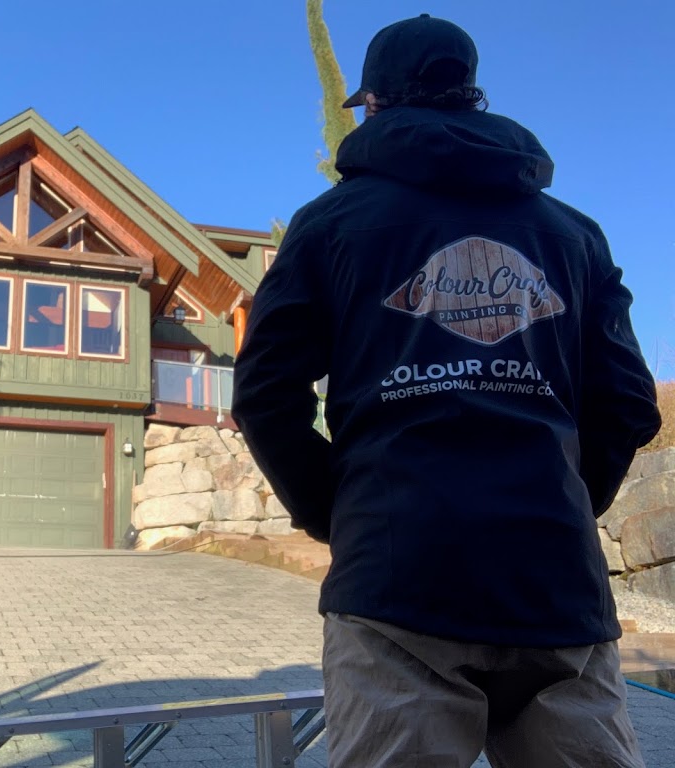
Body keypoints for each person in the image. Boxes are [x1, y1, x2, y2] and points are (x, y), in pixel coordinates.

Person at [231, 13, 661, 768]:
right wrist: (563, 500)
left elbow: (266, 392)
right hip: (556, 587)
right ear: (472, 94)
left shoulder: (329, 225)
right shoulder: (575, 235)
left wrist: (343, 514)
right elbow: (626, 399)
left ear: (373, 104)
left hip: (396, 582)